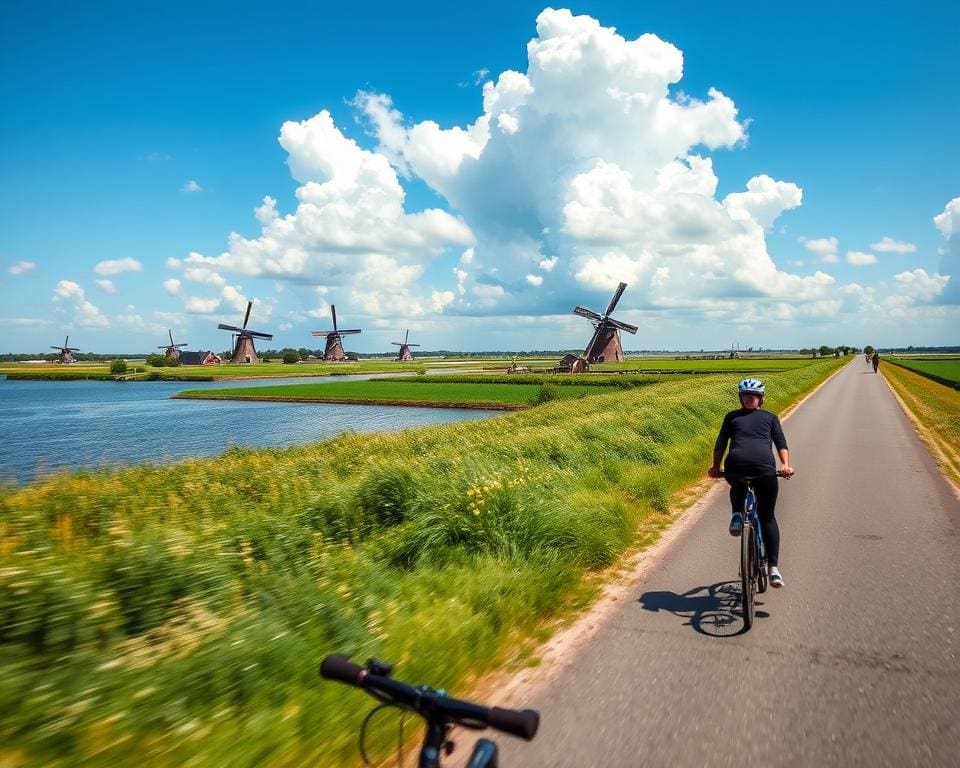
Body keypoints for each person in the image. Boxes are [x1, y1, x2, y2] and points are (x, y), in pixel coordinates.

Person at [708, 378, 794, 588]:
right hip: (765, 469)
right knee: (768, 518)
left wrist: (715, 467)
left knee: (737, 483)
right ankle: (773, 568)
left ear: (757, 398)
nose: (750, 398)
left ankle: (737, 515)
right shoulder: (770, 417)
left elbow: (721, 443)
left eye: (751, 396)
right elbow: (780, 441)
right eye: (748, 395)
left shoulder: (731, 417)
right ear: (760, 399)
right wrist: (785, 466)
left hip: (736, 467)